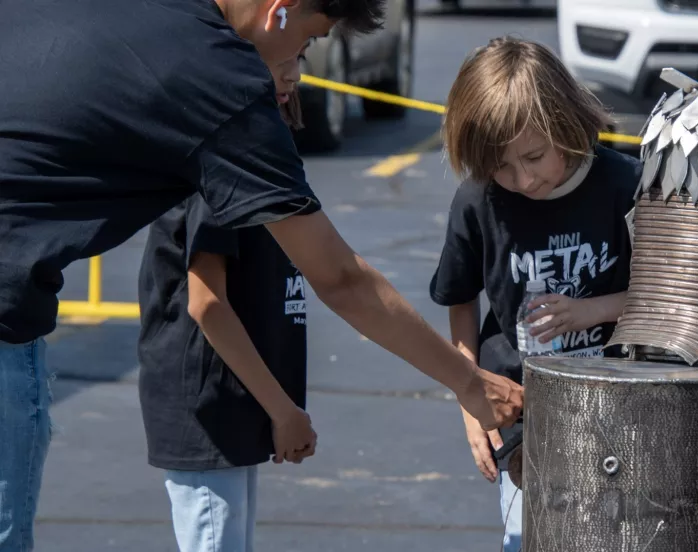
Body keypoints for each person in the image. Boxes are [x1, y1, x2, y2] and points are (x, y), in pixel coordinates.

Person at [0, 1, 522, 550]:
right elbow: (341, 278)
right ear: (280, 11)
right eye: (307, 42)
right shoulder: (215, 75)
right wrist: (468, 382)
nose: (299, 63)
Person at [428, 37, 640, 552]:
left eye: (534, 157)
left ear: (566, 120)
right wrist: (469, 399)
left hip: (621, 405)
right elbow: (461, 297)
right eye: (502, 167)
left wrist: (591, 310)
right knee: (530, 539)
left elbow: (664, 295)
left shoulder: (624, 184)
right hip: (522, 415)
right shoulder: (478, 201)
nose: (522, 180)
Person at [136, 53, 311, 552]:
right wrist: (282, 411)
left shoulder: (257, 152)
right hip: (209, 412)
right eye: (283, 57)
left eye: (301, 56)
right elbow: (207, 303)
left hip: (237, 405)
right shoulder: (218, 158)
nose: (294, 71)